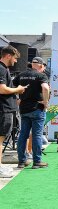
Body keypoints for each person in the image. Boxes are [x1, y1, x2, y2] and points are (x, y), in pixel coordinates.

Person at [14, 57, 49, 169]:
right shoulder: (41, 75)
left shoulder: (21, 74)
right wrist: (45, 102)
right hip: (37, 108)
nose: (44, 68)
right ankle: (37, 161)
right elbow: (45, 88)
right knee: (37, 135)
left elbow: (11, 85)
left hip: (24, 109)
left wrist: (17, 98)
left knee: (23, 135)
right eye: (43, 66)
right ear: (39, 65)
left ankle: (21, 161)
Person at [0, 46, 26, 177]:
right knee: (0, 139)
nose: (16, 61)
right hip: (3, 109)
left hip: (5, 108)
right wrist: (18, 89)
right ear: (8, 56)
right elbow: (2, 89)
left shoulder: (3, 69)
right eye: (15, 58)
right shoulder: (1, 69)